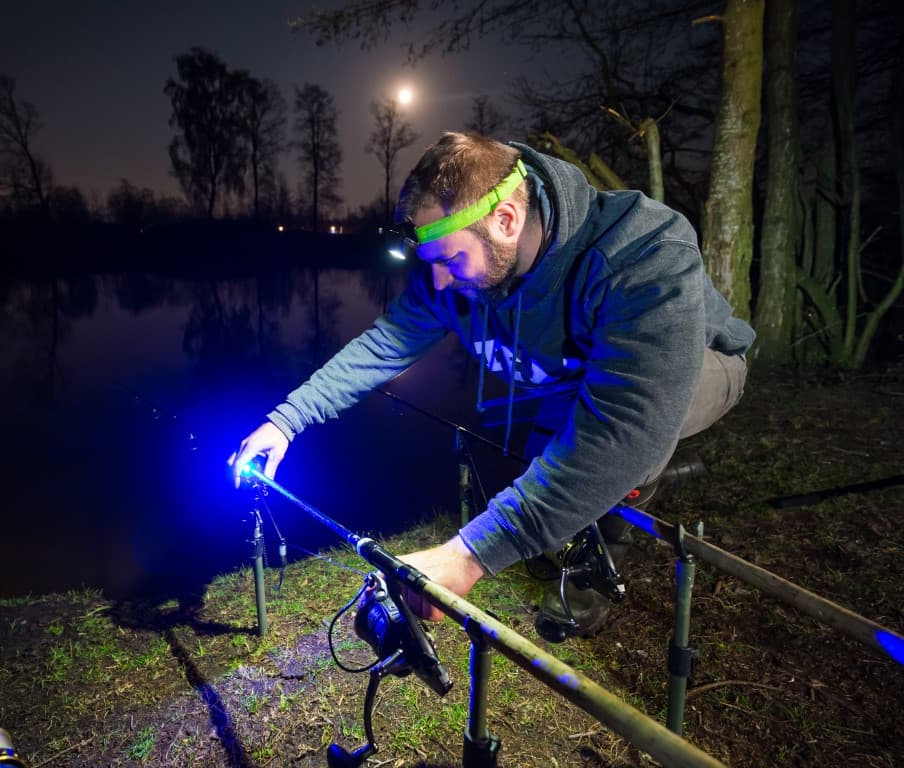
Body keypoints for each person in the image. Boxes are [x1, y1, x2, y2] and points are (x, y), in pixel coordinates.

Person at [229, 132, 754, 641]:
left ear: (506, 219)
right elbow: (385, 345)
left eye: (451, 262)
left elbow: (626, 424)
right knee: (556, 454)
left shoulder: (643, 250)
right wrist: (286, 420)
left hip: (706, 368)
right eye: (431, 266)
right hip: (574, 383)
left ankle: (601, 567)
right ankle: (611, 494)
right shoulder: (458, 267)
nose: (439, 284)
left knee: (624, 439)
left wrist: (468, 554)